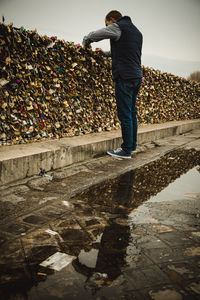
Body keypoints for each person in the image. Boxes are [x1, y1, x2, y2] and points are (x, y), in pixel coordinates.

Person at [82, 10, 143, 159]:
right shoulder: (137, 32)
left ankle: (126, 150)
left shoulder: (117, 26)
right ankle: (132, 145)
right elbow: (125, 52)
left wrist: (86, 41)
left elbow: (97, 35)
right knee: (132, 112)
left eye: (106, 23)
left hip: (125, 77)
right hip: (136, 76)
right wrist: (105, 53)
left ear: (111, 19)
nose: (107, 26)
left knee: (125, 114)